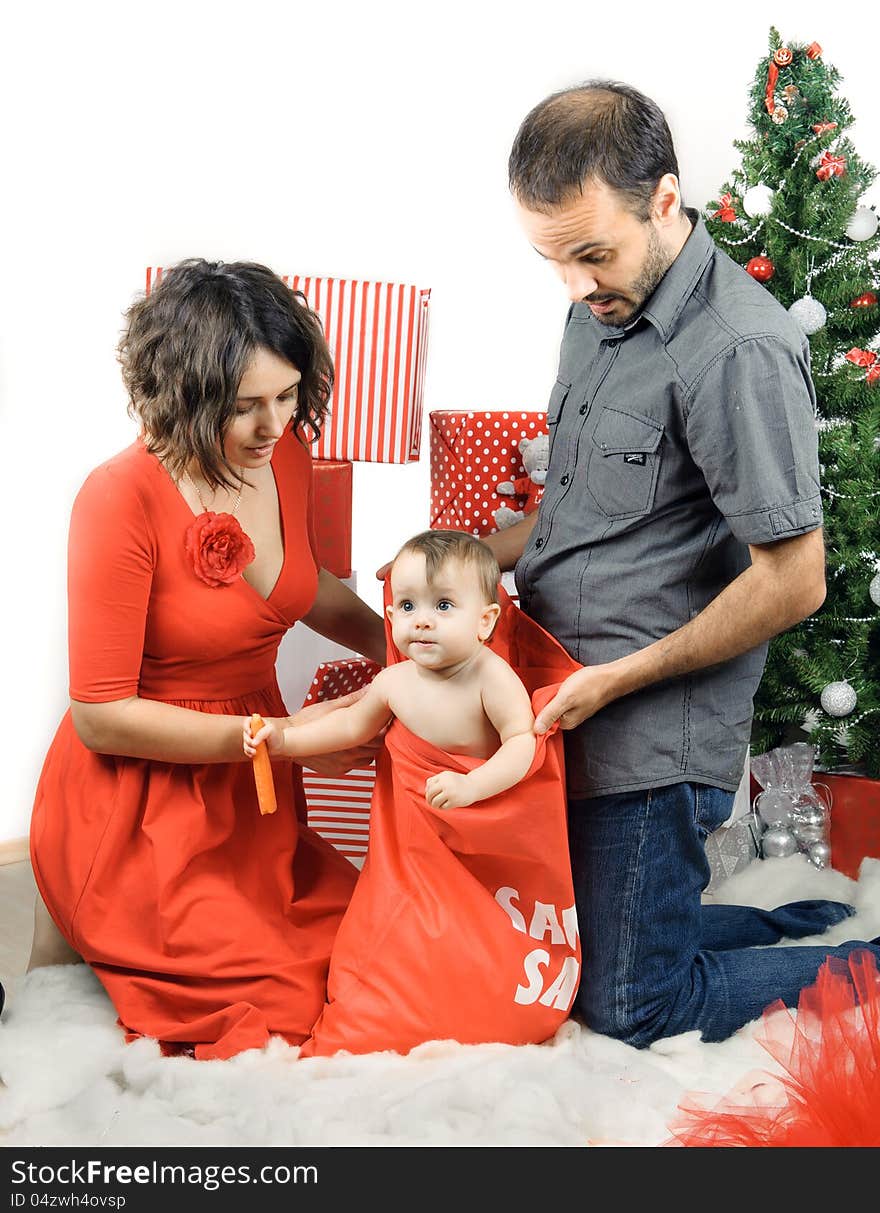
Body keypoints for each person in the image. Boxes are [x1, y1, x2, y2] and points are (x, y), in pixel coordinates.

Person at [471, 80, 878, 1046]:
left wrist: (624, 676)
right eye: (552, 260)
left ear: (664, 198)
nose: (573, 285)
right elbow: (584, 507)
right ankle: (788, 927)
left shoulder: (737, 347)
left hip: (649, 732)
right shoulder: (596, 310)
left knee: (627, 1006)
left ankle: (862, 966)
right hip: (563, 694)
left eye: (591, 254)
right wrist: (468, 562)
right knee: (571, 952)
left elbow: (796, 578)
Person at [28, 259, 387, 1060]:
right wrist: (279, 738)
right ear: (185, 395)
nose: (274, 424)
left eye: (289, 396)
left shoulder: (282, 457)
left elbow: (304, 586)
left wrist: (400, 647)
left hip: (252, 802)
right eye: (245, 406)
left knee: (376, 947)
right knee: (283, 1001)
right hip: (144, 808)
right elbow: (100, 714)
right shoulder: (118, 497)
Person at [246, 530, 536, 810]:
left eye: (443, 605)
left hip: (481, 807)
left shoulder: (492, 677)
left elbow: (521, 742)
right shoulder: (393, 681)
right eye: (408, 605)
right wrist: (286, 740)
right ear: (391, 616)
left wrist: (473, 784)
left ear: (485, 620)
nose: (422, 620)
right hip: (416, 820)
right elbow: (350, 725)